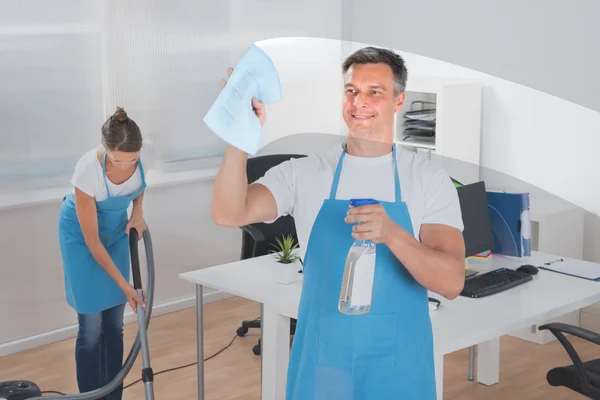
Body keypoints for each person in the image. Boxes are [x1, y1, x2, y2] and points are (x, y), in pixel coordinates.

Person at [211, 47, 465, 399]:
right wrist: (238, 137)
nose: (359, 101)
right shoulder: (305, 172)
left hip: (399, 362)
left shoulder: (427, 178)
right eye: (351, 91)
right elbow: (228, 212)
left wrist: (393, 235)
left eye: (375, 92)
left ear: (398, 100)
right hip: (322, 359)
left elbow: (452, 281)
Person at [58, 106, 152, 400]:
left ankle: (113, 395)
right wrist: (126, 286)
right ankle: (91, 396)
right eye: (118, 160)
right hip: (83, 240)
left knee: (114, 324)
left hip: (114, 234)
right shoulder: (88, 169)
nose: (126, 167)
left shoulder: (135, 159)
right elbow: (92, 242)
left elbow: (139, 187)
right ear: (106, 149)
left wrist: (137, 213)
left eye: (132, 160)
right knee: (92, 327)